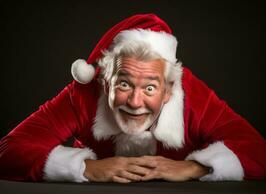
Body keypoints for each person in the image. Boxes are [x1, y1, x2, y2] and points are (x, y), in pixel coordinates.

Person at [0, 14, 265, 183]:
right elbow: (8, 151)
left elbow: (258, 151)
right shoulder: (83, 94)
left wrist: (196, 168)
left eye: (150, 88)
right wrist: (86, 168)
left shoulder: (193, 97)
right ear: (105, 81)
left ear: (169, 89)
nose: (135, 102)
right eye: (124, 84)